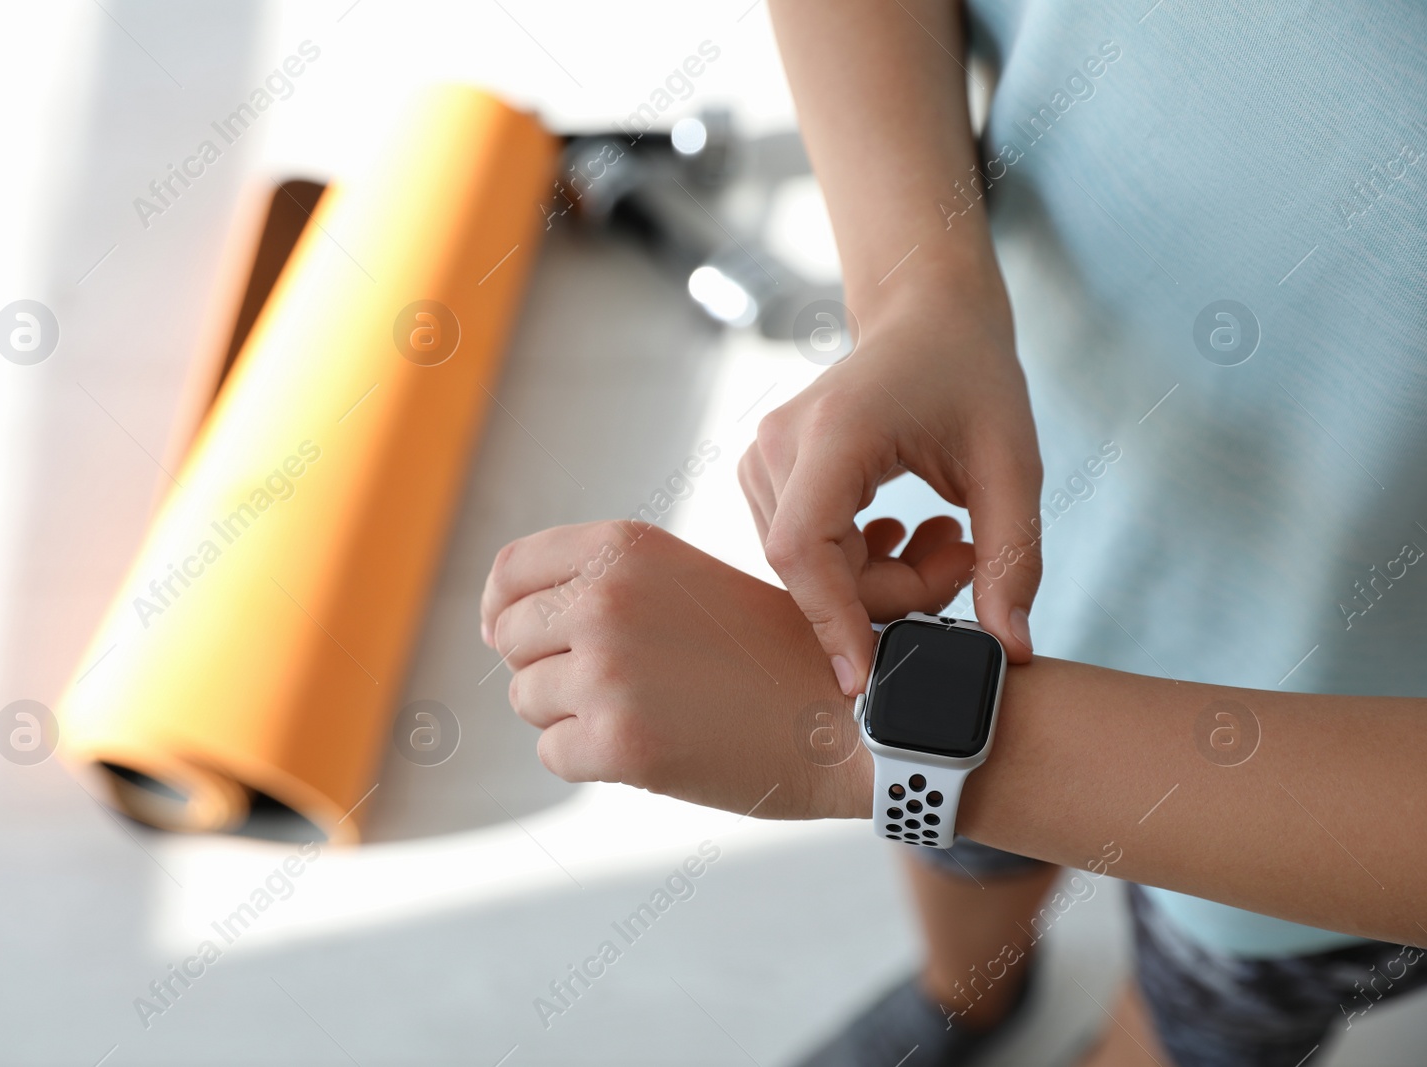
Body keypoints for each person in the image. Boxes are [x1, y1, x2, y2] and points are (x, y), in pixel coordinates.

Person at [483, 1, 1427, 1064]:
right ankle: (962, 999)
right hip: (980, 529)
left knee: (1189, 1017)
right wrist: (920, 296)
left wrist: (851, 741)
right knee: (956, 858)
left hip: (1321, 783)